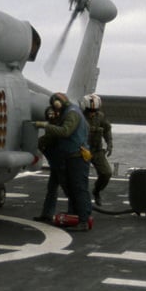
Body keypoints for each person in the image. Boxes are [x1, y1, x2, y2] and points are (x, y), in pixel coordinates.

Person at [32, 92, 92, 231]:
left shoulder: (72, 113)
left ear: (58, 104)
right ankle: (74, 216)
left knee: (78, 188)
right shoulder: (70, 112)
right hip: (67, 156)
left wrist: (44, 125)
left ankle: (83, 220)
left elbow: (65, 132)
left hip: (76, 156)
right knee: (70, 187)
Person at [34, 106, 67, 222]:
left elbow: (48, 139)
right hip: (56, 162)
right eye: (49, 114)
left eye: (53, 114)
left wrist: (37, 143)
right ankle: (47, 214)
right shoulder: (55, 126)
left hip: (61, 162)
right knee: (52, 188)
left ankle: (77, 214)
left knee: (68, 189)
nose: (51, 116)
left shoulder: (56, 128)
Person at [81, 93, 113, 205]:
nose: (92, 113)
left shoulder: (100, 116)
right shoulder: (78, 116)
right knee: (80, 176)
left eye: (95, 110)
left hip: (96, 150)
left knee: (106, 173)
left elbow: (107, 129)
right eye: (90, 111)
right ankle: (80, 199)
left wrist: (109, 144)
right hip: (81, 151)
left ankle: (97, 191)